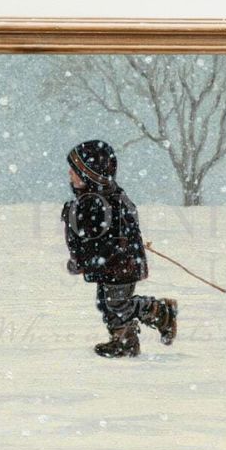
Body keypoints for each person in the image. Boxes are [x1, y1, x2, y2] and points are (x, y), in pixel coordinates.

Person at [61, 140, 177, 358]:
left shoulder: (102, 203)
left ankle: (160, 312)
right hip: (113, 264)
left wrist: (87, 260)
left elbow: (103, 241)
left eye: (75, 170)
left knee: (117, 304)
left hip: (120, 264)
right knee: (107, 303)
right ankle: (125, 340)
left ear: (90, 175)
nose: (69, 173)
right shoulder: (96, 200)